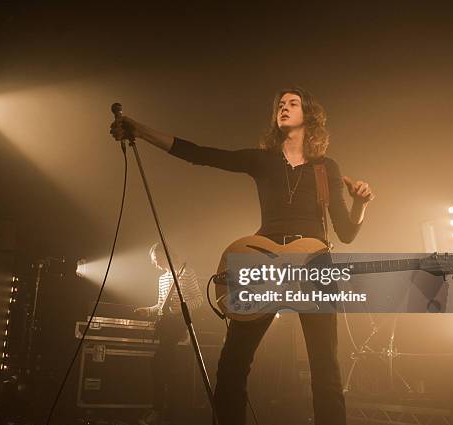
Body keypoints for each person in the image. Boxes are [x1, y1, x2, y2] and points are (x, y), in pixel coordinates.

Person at [111, 87, 374, 425]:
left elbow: (347, 233)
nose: (284, 107)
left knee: (325, 366)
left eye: (293, 103)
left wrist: (360, 204)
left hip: (313, 262)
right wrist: (140, 130)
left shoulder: (326, 168)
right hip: (262, 259)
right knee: (233, 362)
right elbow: (199, 153)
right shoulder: (262, 159)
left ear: (309, 115)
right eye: (280, 104)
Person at [134, 243, 203, 425]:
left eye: (156, 260)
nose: (155, 264)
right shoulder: (162, 279)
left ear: (166, 256)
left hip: (180, 327)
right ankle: (164, 410)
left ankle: (161, 411)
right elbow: (160, 307)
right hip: (166, 328)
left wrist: (180, 309)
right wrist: (147, 311)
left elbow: (199, 299)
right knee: (164, 368)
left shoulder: (187, 272)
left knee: (161, 365)